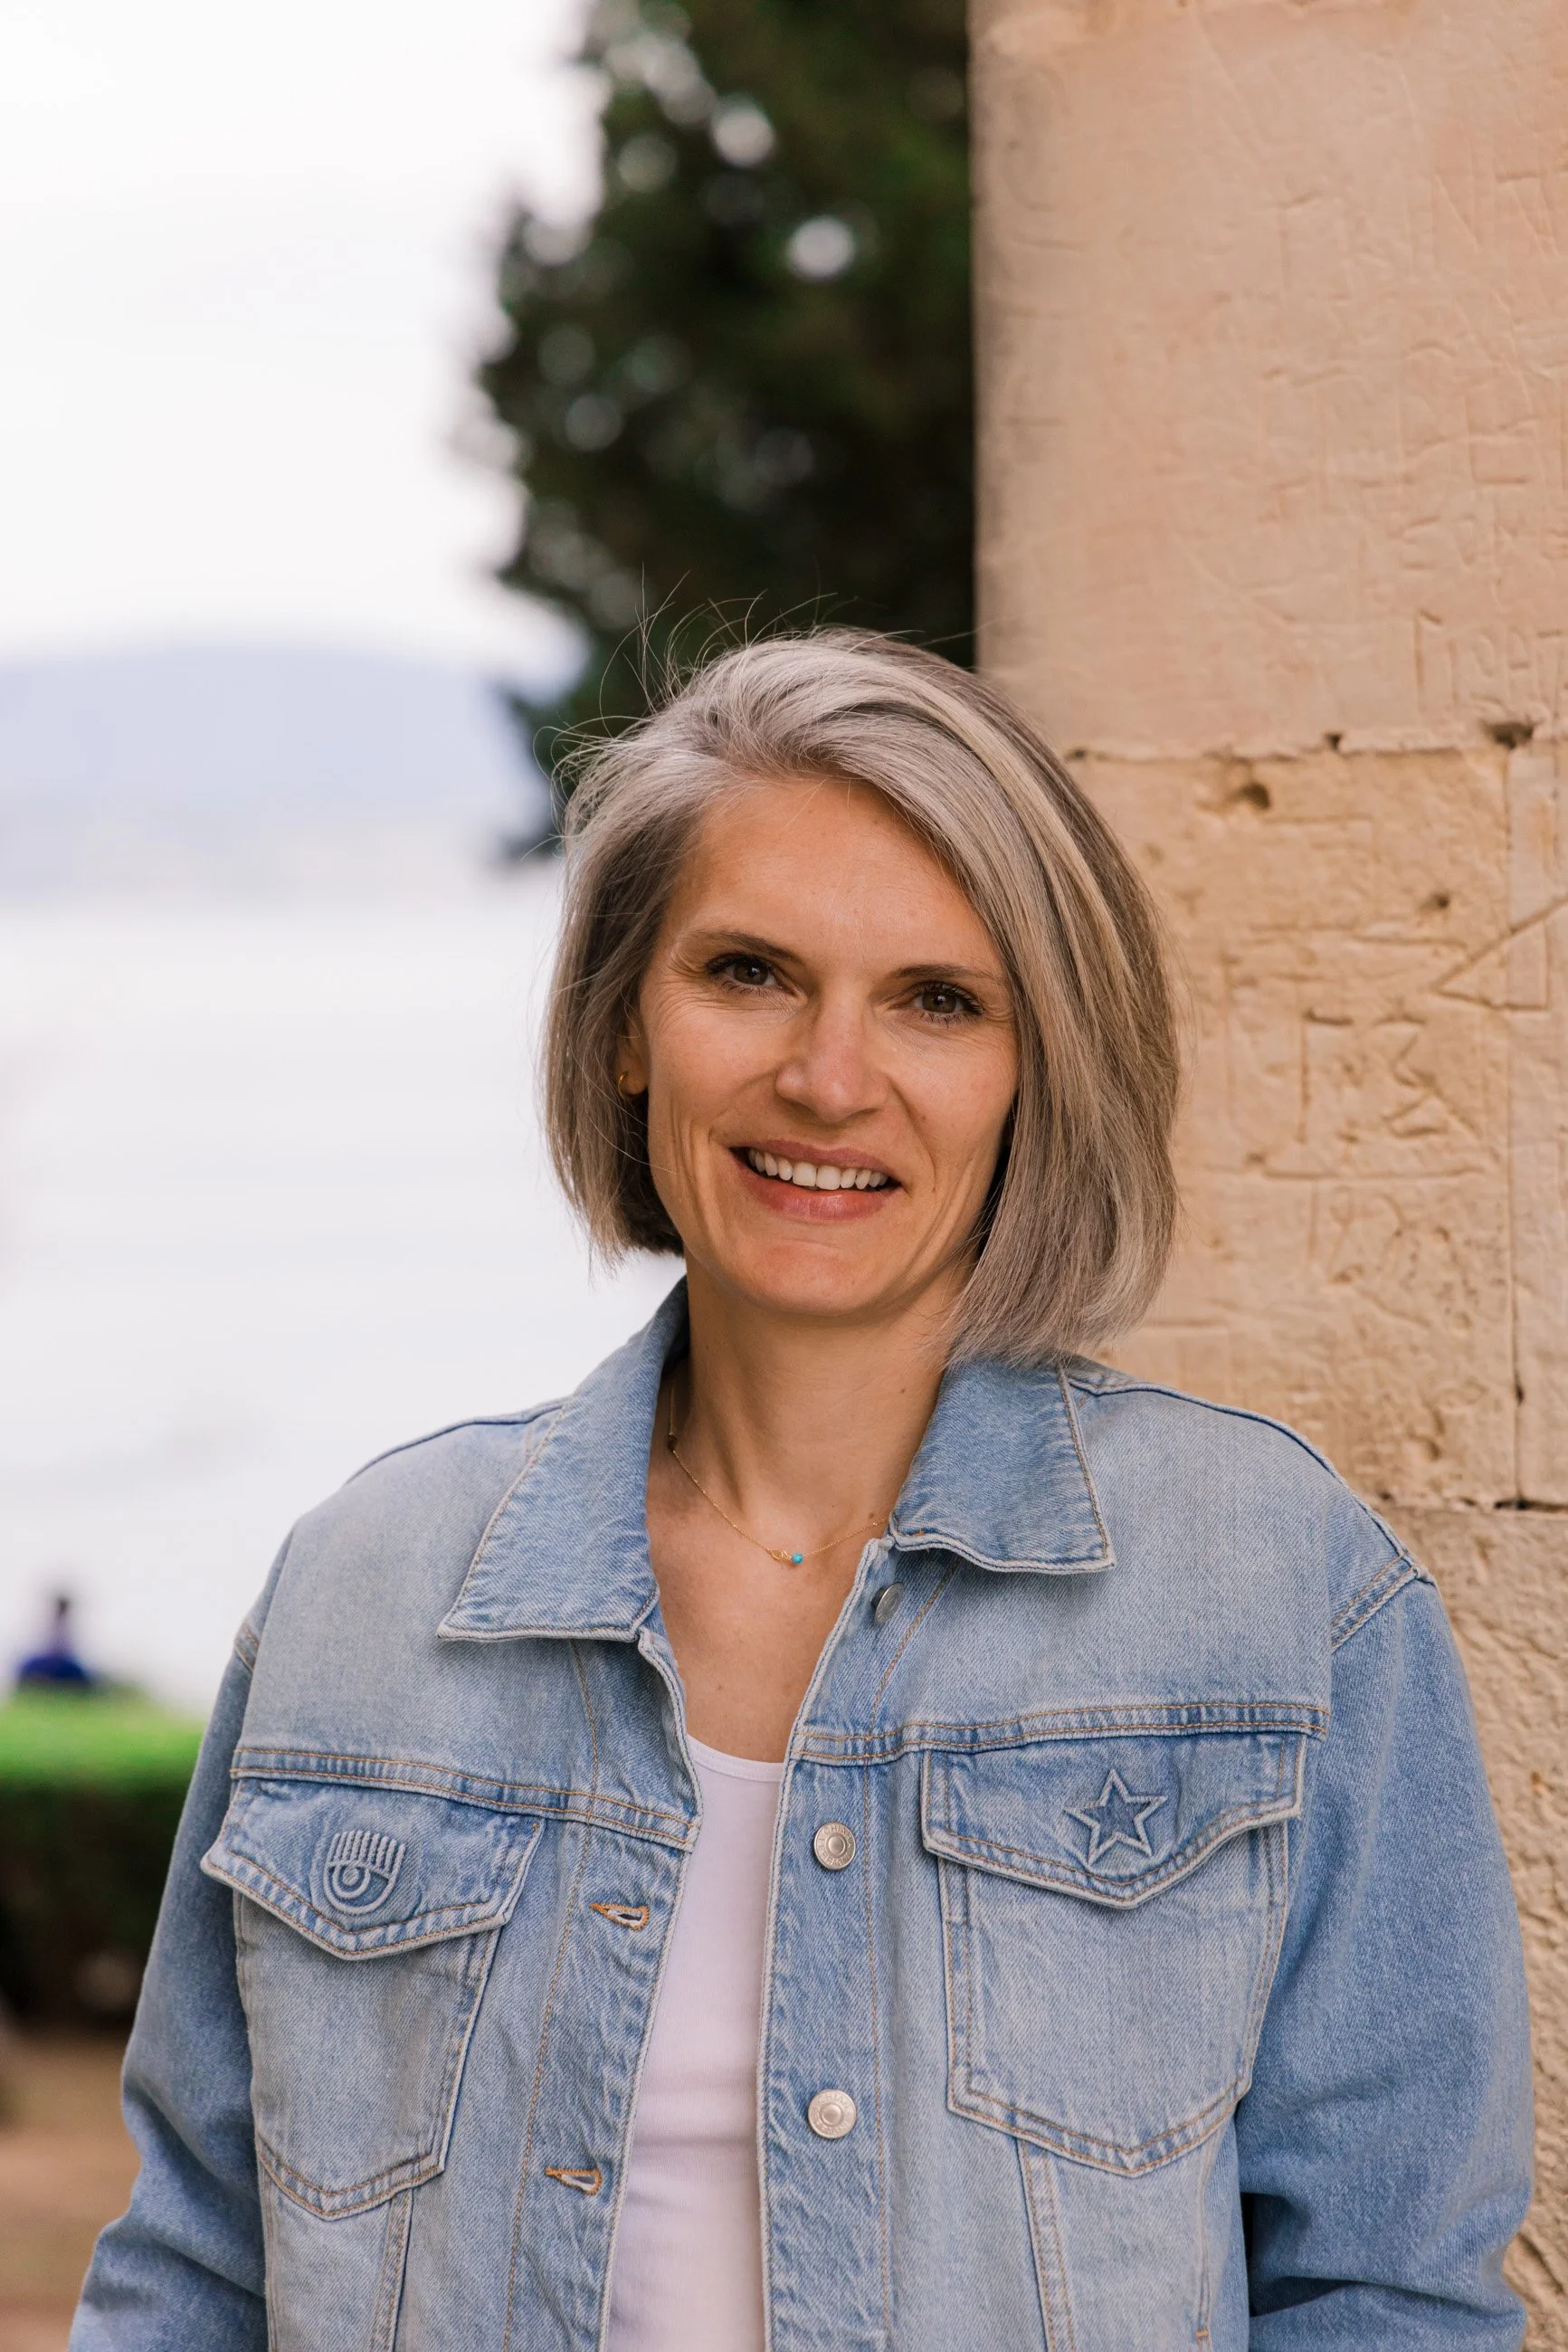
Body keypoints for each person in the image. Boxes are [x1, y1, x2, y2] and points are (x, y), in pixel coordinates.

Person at [73, 633, 1530, 2350]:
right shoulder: (363, 1595)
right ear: (627, 1026)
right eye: (750, 972)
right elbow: (193, 2282)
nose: (831, 1078)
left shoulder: (1280, 1595)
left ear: (1033, 1069)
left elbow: (1387, 2296)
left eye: (936, 999)